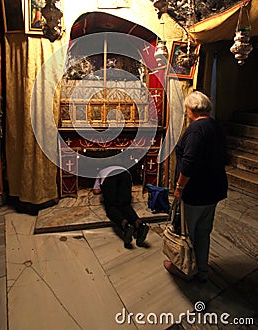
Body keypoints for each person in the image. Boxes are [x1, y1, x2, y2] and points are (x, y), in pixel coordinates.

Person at [163, 91, 228, 282]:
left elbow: (189, 163)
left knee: (187, 232)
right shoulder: (216, 126)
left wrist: (179, 188)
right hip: (214, 188)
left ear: (190, 110)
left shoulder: (195, 130)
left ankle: (184, 269)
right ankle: (202, 270)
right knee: (203, 231)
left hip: (196, 191)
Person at [93, 165, 149, 248]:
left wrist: (104, 189)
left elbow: (96, 191)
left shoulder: (102, 171)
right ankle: (140, 225)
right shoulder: (120, 166)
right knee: (126, 205)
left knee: (111, 207)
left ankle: (126, 226)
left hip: (109, 177)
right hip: (126, 175)